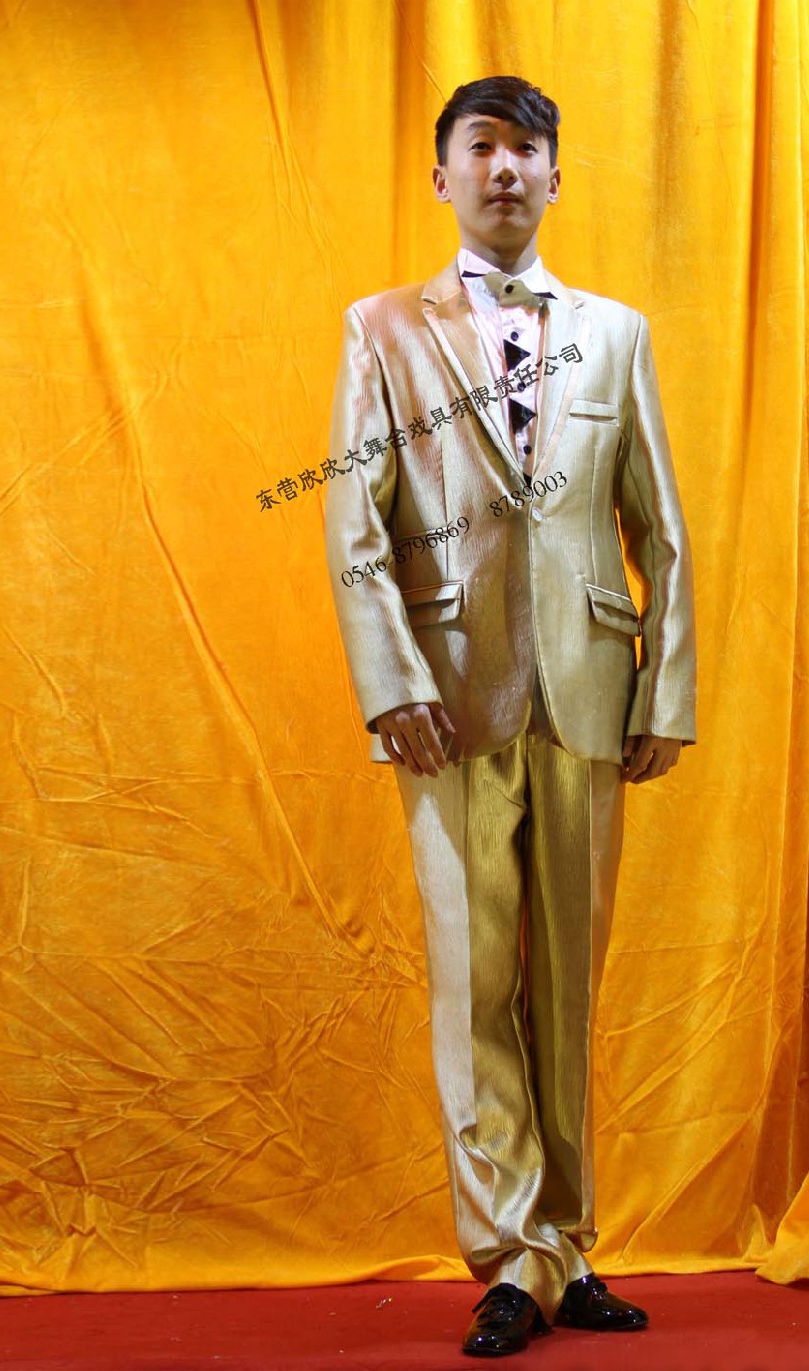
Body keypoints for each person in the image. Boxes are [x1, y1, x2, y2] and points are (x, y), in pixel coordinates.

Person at [322, 75, 696, 1359]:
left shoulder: (618, 333)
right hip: (449, 702)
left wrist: (666, 688)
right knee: (476, 982)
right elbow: (354, 524)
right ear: (443, 176)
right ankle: (507, 1257)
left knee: (568, 987)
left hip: (588, 692)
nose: (504, 169)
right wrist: (394, 684)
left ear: (554, 176)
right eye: (480, 147)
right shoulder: (383, 329)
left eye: (526, 150)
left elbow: (661, 526)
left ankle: (566, 1247)